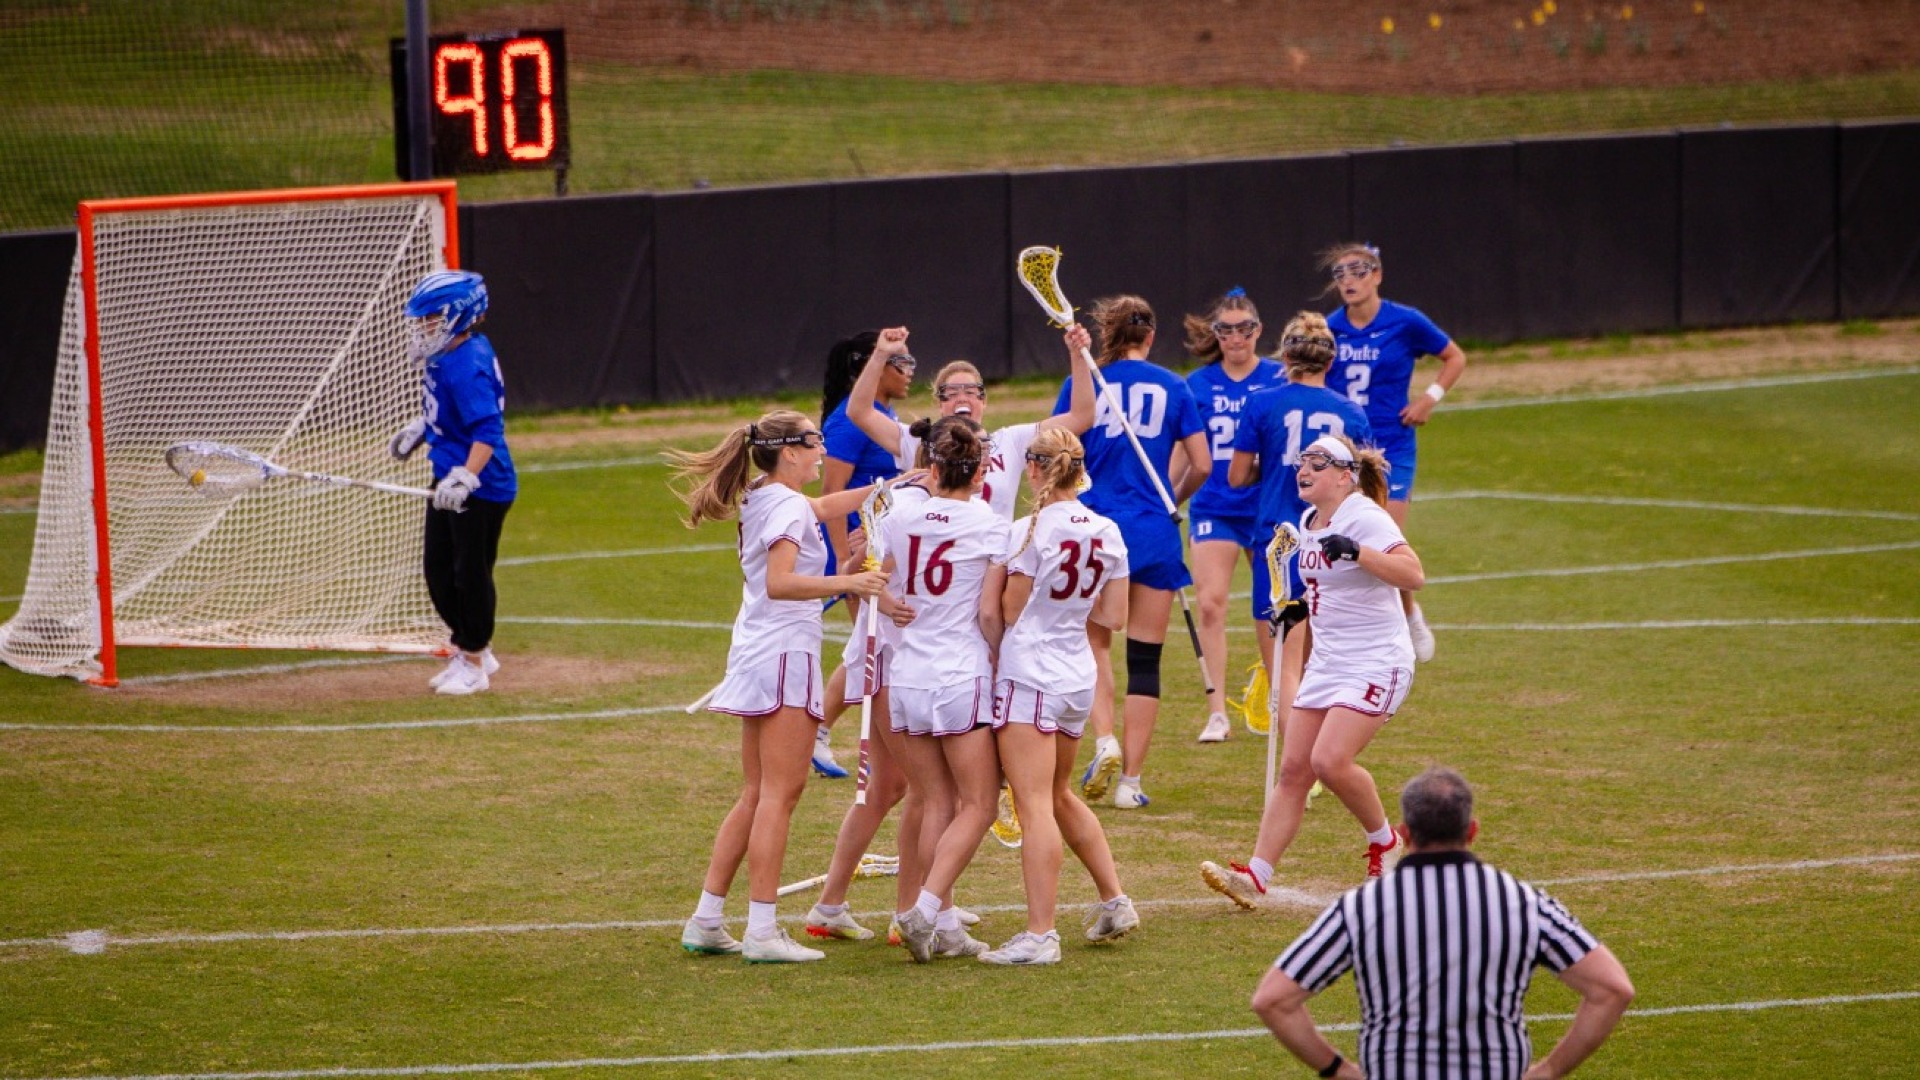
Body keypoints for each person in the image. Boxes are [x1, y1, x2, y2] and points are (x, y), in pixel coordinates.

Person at [666, 409, 890, 964]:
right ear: (790, 451)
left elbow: (819, 506)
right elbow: (781, 581)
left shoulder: (767, 493)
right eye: (815, 442)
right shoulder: (785, 504)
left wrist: (887, 489)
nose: (823, 450)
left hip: (758, 650)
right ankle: (762, 928)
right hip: (784, 654)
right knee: (779, 794)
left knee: (757, 791)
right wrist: (851, 580)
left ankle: (707, 919)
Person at [1252, 767, 1635, 1080]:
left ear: (1403, 833)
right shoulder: (1522, 902)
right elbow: (1612, 989)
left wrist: (1339, 1070)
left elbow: (1273, 999)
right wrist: (1549, 1070)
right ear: (1472, 831)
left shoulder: (1362, 907)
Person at [1201, 432, 1421, 904]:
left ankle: (1385, 840)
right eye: (1303, 461)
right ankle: (1256, 875)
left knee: (1329, 761)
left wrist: (1359, 551)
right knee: (1294, 771)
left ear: (1345, 476)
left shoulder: (1364, 516)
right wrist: (1297, 608)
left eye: (1318, 463)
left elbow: (1413, 574)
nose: (1305, 469)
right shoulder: (1307, 520)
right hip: (1329, 662)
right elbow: (1326, 587)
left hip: (1376, 659)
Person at [978, 427, 1139, 965]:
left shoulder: (1029, 529)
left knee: (1034, 805)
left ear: (1037, 468)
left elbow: (1008, 609)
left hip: (1032, 672)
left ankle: (1041, 933)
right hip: (1076, 674)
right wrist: (1069, 612)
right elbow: (1114, 618)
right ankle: (1115, 900)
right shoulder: (1108, 529)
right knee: (1060, 794)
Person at [1051, 295, 1210, 810]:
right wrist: (1173, 499)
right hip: (1151, 530)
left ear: (1107, 335)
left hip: (1095, 529)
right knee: (1146, 658)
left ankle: (1104, 740)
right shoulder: (1175, 385)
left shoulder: (1086, 382)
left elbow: (1058, 449)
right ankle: (1131, 783)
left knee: (1093, 645)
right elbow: (1203, 464)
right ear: (1151, 335)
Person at [879, 419, 1006, 963]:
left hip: (908, 674)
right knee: (979, 804)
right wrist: (1003, 657)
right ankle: (924, 911)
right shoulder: (990, 522)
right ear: (979, 472)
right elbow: (988, 610)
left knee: (936, 800)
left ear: (933, 468)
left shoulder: (902, 514)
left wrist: (889, 604)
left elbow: (873, 579)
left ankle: (945, 924)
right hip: (959, 674)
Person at [1322, 243, 1467, 664]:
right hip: (1343, 451)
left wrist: (1429, 398)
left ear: (1377, 275)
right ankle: (1378, 623)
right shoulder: (1330, 328)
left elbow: (1454, 357)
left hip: (1391, 448)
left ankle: (1408, 619)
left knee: (1384, 538)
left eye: (1357, 270)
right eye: (1340, 273)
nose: (1348, 280)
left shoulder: (1404, 321)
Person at [1228, 312, 1371, 734]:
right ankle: (1317, 756)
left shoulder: (1262, 403)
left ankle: (1298, 765)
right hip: (1329, 544)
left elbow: (1236, 477)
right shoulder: (1350, 412)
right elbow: (1359, 486)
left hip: (1277, 544)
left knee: (1282, 668)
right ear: (1331, 361)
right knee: (1318, 665)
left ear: (1285, 358)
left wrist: (1272, 467)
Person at [388, 269, 517, 697]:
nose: (424, 326)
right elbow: (449, 412)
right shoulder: (449, 353)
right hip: (448, 474)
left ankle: (475, 659)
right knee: (439, 570)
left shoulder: (468, 363)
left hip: (479, 486)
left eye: (432, 317)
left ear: (458, 315)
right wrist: (422, 428)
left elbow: (487, 430)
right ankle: (470, 647)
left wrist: (466, 476)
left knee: (468, 574)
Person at [1179, 288, 1288, 743]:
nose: (1236, 337)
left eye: (1245, 328)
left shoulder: (1280, 378)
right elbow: (1183, 447)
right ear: (1216, 334)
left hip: (1265, 508)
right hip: (1215, 505)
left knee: (1272, 610)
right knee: (1209, 603)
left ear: (1258, 331)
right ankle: (1217, 711)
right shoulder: (1198, 385)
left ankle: (1279, 698)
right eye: (1226, 329)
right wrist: (1169, 495)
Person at [813, 331, 916, 778]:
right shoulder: (850, 420)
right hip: (860, 554)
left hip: (883, 550)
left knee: (865, 651)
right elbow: (831, 492)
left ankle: (818, 733)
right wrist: (841, 560)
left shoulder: (885, 415)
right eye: (902, 361)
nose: (910, 370)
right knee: (870, 655)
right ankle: (872, 751)